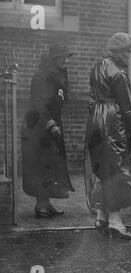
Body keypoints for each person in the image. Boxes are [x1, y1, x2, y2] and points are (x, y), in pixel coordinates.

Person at [85, 32, 131, 239]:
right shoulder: (119, 74)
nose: (129, 55)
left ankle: (101, 216)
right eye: (127, 51)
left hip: (95, 120)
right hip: (112, 122)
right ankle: (116, 222)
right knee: (117, 170)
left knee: (102, 169)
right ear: (118, 51)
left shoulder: (98, 66)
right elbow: (127, 108)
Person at [22, 43, 75, 218]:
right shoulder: (41, 77)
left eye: (67, 57)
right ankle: (40, 205)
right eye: (62, 57)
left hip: (53, 124)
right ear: (53, 59)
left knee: (52, 165)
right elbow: (37, 104)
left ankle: (47, 202)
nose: (65, 60)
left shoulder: (59, 76)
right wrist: (50, 123)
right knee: (42, 165)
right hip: (40, 127)